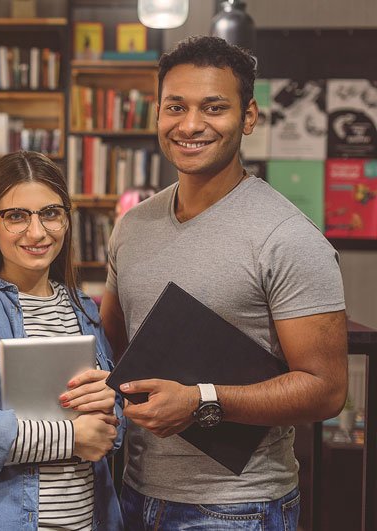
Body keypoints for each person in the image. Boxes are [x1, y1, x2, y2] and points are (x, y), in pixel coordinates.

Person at [100, 36, 348, 530]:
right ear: (158, 115)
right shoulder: (133, 225)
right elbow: (114, 350)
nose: (191, 124)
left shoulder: (287, 237)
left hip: (237, 508)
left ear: (249, 117)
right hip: (132, 493)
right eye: (177, 107)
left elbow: (326, 390)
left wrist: (203, 401)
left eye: (214, 107)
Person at [0, 151, 125, 531]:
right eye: (17, 216)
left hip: (90, 519)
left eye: (50, 213)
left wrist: (110, 405)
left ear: (67, 219)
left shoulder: (83, 308)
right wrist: (69, 436)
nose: (37, 232)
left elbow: (110, 429)